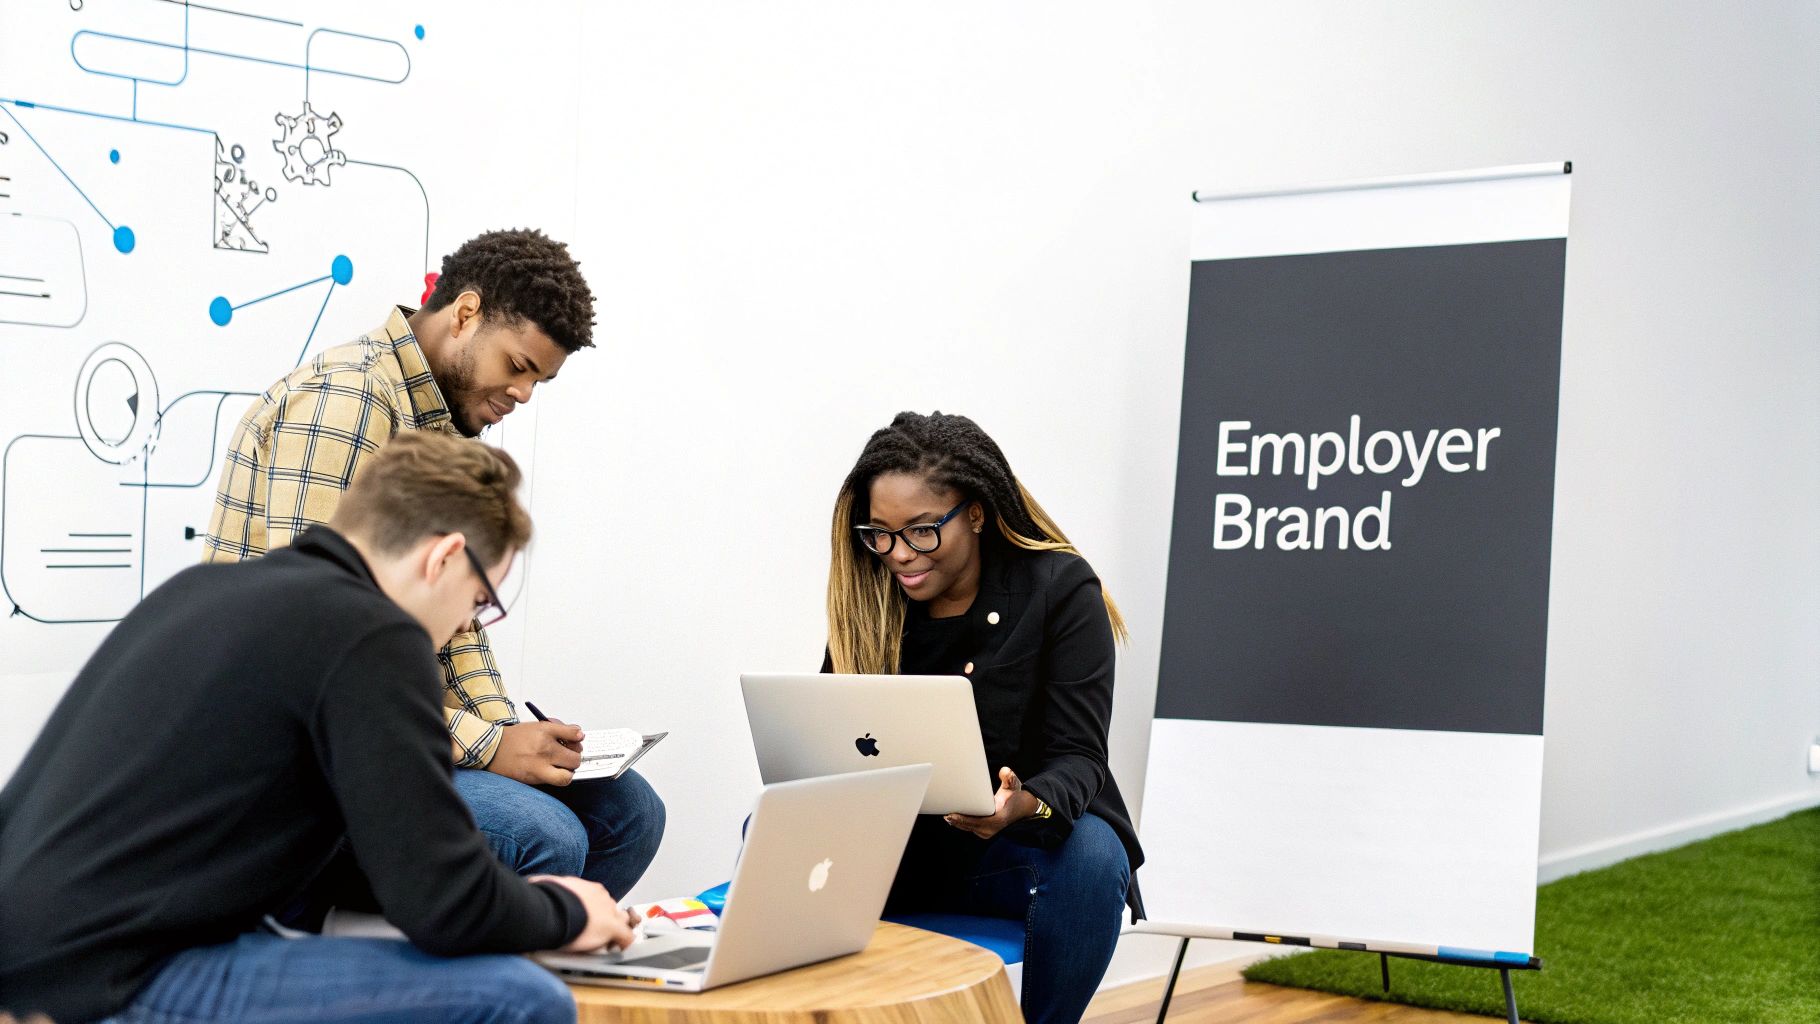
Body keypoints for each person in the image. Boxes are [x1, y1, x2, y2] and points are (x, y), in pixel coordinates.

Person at [0, 433, 636, 1024]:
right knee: (522, 1000)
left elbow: (393, 863)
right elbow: (444, 904)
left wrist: (512, 904)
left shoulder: (204, 591)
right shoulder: (373, 635)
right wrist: (568, 910)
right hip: (109, 981)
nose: (468, 628)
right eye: (478, 603)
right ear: (444, 557)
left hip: (34, 954)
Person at [201, 228, 664, 901]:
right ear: (466, 314)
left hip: (392, 729)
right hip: (308, 759)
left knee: (629, 814)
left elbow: (459, 630)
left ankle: (529, 979)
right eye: (517, 365)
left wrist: (509, 735)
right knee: (548, 837)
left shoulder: (442, 424)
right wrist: (485, 747)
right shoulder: (348, 403)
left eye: (539, 379)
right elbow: (313, 651)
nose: (525, 394)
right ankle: (471, 985)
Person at [823, 411, 1144, 1024]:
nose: (896, 554)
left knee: (1097, 857)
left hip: (1014, 854)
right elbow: (834, 733)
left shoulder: (1060, 589)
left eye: (920, 531)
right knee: (765, 827)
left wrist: (1022, 806)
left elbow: (1080, 757)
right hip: (900, 851)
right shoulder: (870, 594)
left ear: (974, 511)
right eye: (880, 533)